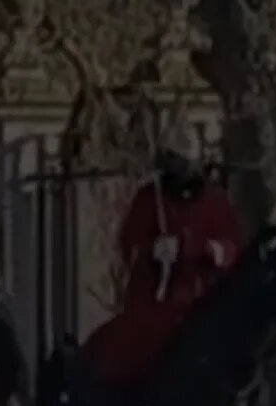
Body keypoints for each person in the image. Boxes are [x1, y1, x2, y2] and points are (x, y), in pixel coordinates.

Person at [83, 125, 242, 390]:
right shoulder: (149, 199)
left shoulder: (216, 201)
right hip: (159, 300)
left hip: (205, 297)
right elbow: (129, 245)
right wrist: (151, 250)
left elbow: (233, 246)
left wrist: (213, 250)